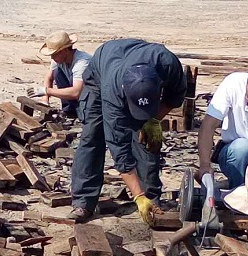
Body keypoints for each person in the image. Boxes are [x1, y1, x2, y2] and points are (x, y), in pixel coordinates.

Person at [68, 39, 187, 224]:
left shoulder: (168, 63)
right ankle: (84, 202)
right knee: (93, 135)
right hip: (101, 73)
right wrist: (137, 195)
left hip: (129, 63)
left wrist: (154, 120)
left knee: (145, 135)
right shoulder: (113, 93)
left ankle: (151, 199)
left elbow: (176, 95)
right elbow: (118, 147)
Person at [27, 31, 92, 117]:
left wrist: (46, 91)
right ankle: (69, 112)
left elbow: (76, 92)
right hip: (78, 94)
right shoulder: (58, 59)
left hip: (91, 99)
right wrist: (45, 99)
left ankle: (80, 112)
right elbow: (49, 77)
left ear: (64, 50)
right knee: (57, 72)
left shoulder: (82, 62)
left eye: (54, 54)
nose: (52, 57)